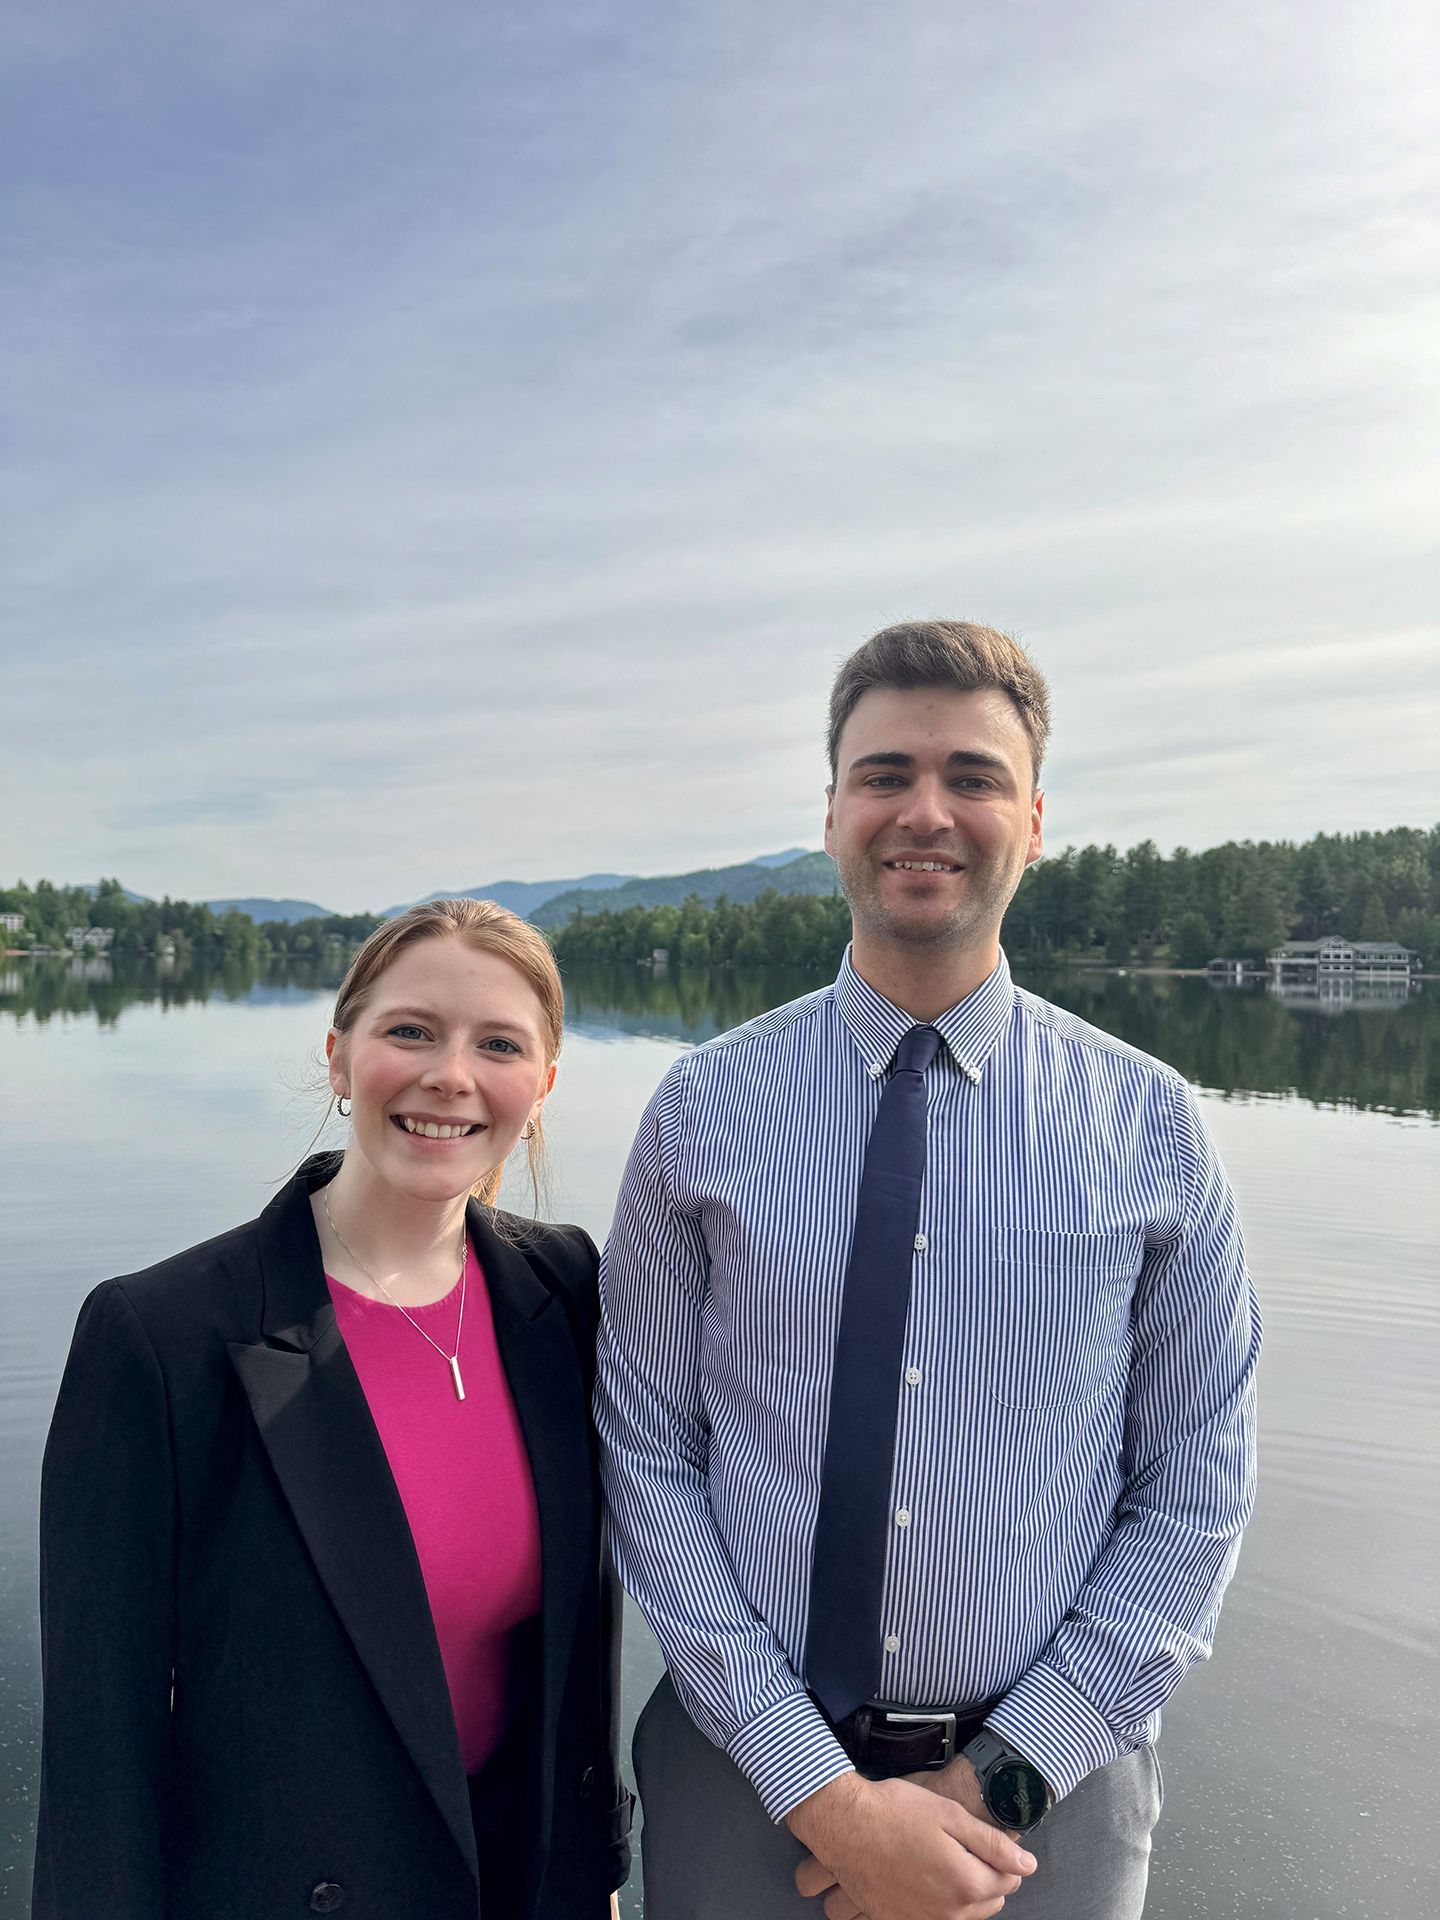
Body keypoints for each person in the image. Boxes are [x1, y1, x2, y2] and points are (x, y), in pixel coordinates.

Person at [595, 621, 1260, 1920]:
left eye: (973, 776)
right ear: (833, 810)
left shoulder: (1155, 1128)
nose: (927, 812)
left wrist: (990, 1791)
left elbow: (1197, 1493)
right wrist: (820, 1793)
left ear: (1035, 817)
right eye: (885, 774)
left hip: (1047, 1806)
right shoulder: (698, 1117)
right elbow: (649, 1459)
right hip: (744, 1781)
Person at [34, 898, 632, 1920]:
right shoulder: (163, 1336)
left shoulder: (565, 1290)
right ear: (339, 1054)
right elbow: (100, 1747)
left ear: (542, 1086)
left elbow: (565, 1675)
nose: (451, 1074)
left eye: (498, 1044)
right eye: (411, 1031)